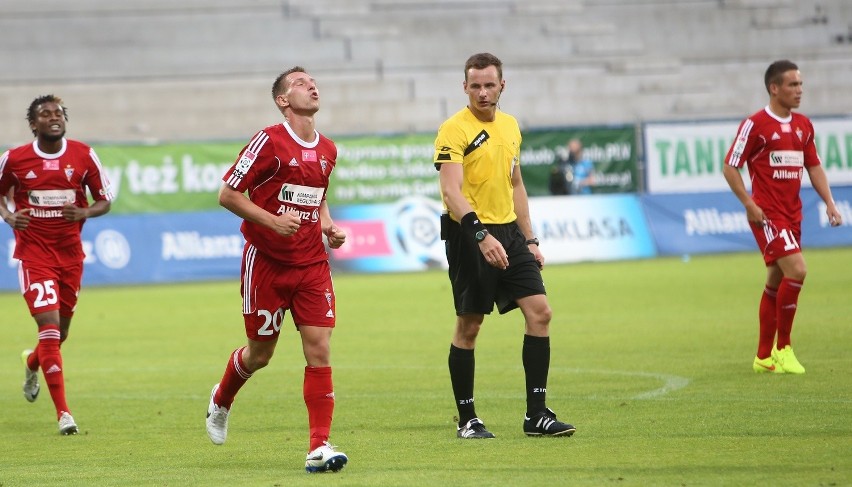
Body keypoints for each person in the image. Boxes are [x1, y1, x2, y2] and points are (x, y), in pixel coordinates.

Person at [205, 66, 349, 473]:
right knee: (261, 353)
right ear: (283, 101)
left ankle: (318, 448)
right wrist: (271, 221)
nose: (312, 86)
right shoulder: (268, 140)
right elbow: (227, 194)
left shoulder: (328, 150)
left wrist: (327, 226)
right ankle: (222, 399)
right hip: (266, 263)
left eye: (313, 81)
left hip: (311, 265)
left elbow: (316, 196)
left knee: (319, 347)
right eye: (301, 84)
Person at [434, 52, 576, 439]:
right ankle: (468, 420)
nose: (482, 92)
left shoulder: (511, 126)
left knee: (541, 312)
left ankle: (537, 415)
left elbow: (516, 185)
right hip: (469, 235)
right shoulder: (453, 130)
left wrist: (529, 239)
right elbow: (451, 191)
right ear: (464, 87)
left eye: (489, 84)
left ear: (502, 85)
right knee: (470, 324)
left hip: (510, 233)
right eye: (475, 85)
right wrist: (480, 235)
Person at [0, 94, 114, 434]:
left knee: (59, 334)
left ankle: (32, 362)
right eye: (45, 113)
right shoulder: (15, 159)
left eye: (59, 113)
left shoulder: (83, 155)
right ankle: (64, 414)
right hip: (34, 256)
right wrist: (8, 215)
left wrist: (85, 212)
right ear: (33, 123)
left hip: (70, 257)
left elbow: (105, 199)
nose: (54, 117)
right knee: (48, 330)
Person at [723, 60, 843, 375]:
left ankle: (763, 356)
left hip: (793, 215)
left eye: (800, 84)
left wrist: (829, 202)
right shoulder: (755, 124)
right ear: (774, 88)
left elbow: (813, 166)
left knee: (776, 280)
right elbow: (730, 166)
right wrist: (749, 204)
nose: (799, 90)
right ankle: (784, 348)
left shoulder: (804, 125)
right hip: (768, 215)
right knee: (798, 270)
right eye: (792, 85)